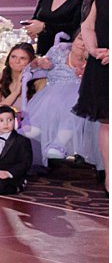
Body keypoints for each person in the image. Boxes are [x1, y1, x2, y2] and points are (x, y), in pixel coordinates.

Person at [22, 33, 101, 169]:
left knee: (74, 101)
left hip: (82, 95)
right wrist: (38, 62)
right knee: (54, 99)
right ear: (74, 39)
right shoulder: (58, 52)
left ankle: (59, 143)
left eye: (87, 42)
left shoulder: (95, 62)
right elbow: (32, 67)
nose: (82, 44)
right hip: (51, 94)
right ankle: (40, 130)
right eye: (80, 39)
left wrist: (87, 76)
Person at [72, 0, 109, 191]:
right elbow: (87, 26)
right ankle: (110, 178)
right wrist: (94, 51)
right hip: (102, 64)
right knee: (107, 123)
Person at [0, 43, 46, 147]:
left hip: (28, 121)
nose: (17, 61)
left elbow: (40, 111)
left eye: (23, 58)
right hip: (2, 120)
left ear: (30, 62)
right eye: (13, 56)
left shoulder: (39, 81)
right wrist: (15, 92)